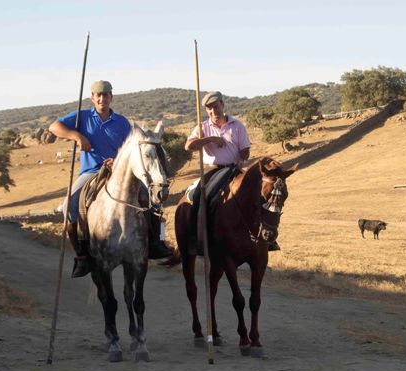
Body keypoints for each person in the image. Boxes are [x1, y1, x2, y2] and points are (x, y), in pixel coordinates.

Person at [50, 80, 172, 278]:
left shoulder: (122, 122)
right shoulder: (82, 117)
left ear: (111, 97)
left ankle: (155, 244)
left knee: (152, 200)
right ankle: (82, 255)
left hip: (119, 172)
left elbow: (130, 150)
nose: (101, 98)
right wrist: (77, 137)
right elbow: (54, 127)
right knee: (68, 207)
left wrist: (116, 161)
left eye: (105, 95)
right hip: (91, 172)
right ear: (92, 97)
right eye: (98, 95)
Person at [184, 91, 278, 252]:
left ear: (222, 104)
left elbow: (245, 150)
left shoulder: (237, 125)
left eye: (215, 106)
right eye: (209, 109)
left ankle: (266, 237)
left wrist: (241, 157)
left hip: (234, 169)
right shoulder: (202, 127)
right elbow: (188, 146)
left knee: (261, 196)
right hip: (213, 171)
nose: (213, 111)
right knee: (199, 196)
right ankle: (197, 237)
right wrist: (210, 139)